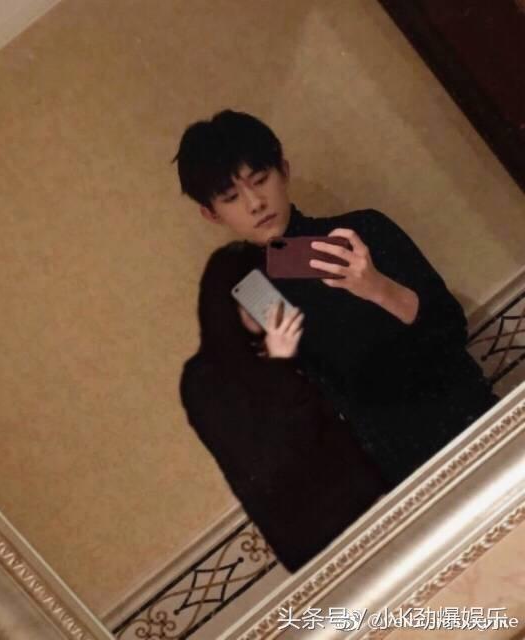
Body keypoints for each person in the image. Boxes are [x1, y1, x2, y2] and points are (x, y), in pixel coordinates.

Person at [174, 109, 498, 486]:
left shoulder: (363, 230)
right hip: (401, 476)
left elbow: (451, 328)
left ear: (284, 170)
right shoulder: (255, 294)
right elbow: (320, 402)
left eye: (260, 180)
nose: (255, 203)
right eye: (231, 197)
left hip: (475, 426)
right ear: (212, 214)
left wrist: (378, 288)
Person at [179, 241, 390, 573]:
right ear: (226, 301)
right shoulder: (204, 378)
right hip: (323, 544)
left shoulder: (295, 345)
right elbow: (271, 459)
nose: (268, 300)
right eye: (253, 290)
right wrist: (280, 366)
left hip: (380, 503)